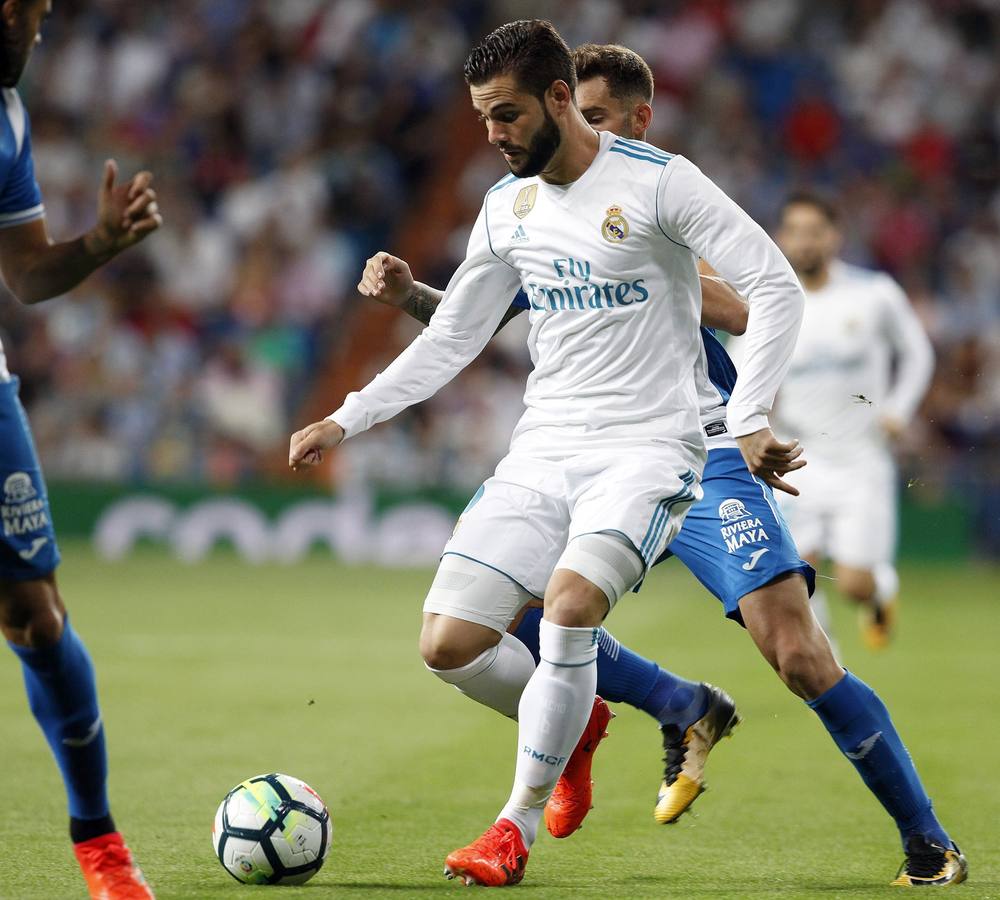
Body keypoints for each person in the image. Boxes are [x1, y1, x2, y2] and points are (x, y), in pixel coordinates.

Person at [348, 40, 966, 890]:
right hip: (592, 448)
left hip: (700, 451)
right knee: (513, 611)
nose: (581, 134)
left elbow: (746, 305)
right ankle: (676, 704)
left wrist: (740, 399)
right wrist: (419, 297)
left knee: (796, 654)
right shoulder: (544, 204)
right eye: (577, 117)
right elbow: (506, 310)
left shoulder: (661, 202)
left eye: (596, 119)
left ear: (634, 119)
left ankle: (928, 840)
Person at [291, 19, 809, 887]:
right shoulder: (508, 208)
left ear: (562, 100)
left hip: (650, 448)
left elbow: (774, 286)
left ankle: (511, 827)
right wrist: (348, 416)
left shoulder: (658, 184)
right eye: (482, 117)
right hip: (544, 448)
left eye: (505, 115)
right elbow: (453, 336)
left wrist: (749, 416)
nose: (490, 136)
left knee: (569, 608)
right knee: (448, 644)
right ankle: (577, 726)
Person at [0, 2, 162, 897]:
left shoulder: (7, 115)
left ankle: (100, 847)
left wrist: (97, 244)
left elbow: (24, 271)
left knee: (36, 615)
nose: (37, 27)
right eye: (29, 10)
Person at [772, 193, 935, 650]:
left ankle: (879, 593)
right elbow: (745, 373)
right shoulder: (774, 303)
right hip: (799, 459)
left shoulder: (873, 294)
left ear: (833, 236)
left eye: (814, 231)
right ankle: (832, 671)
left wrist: (899, 409)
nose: (804, 242)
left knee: (852, 585)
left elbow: (918, 352)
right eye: (795, 232)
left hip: (862, 458)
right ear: (782, 239)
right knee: (795, 577)